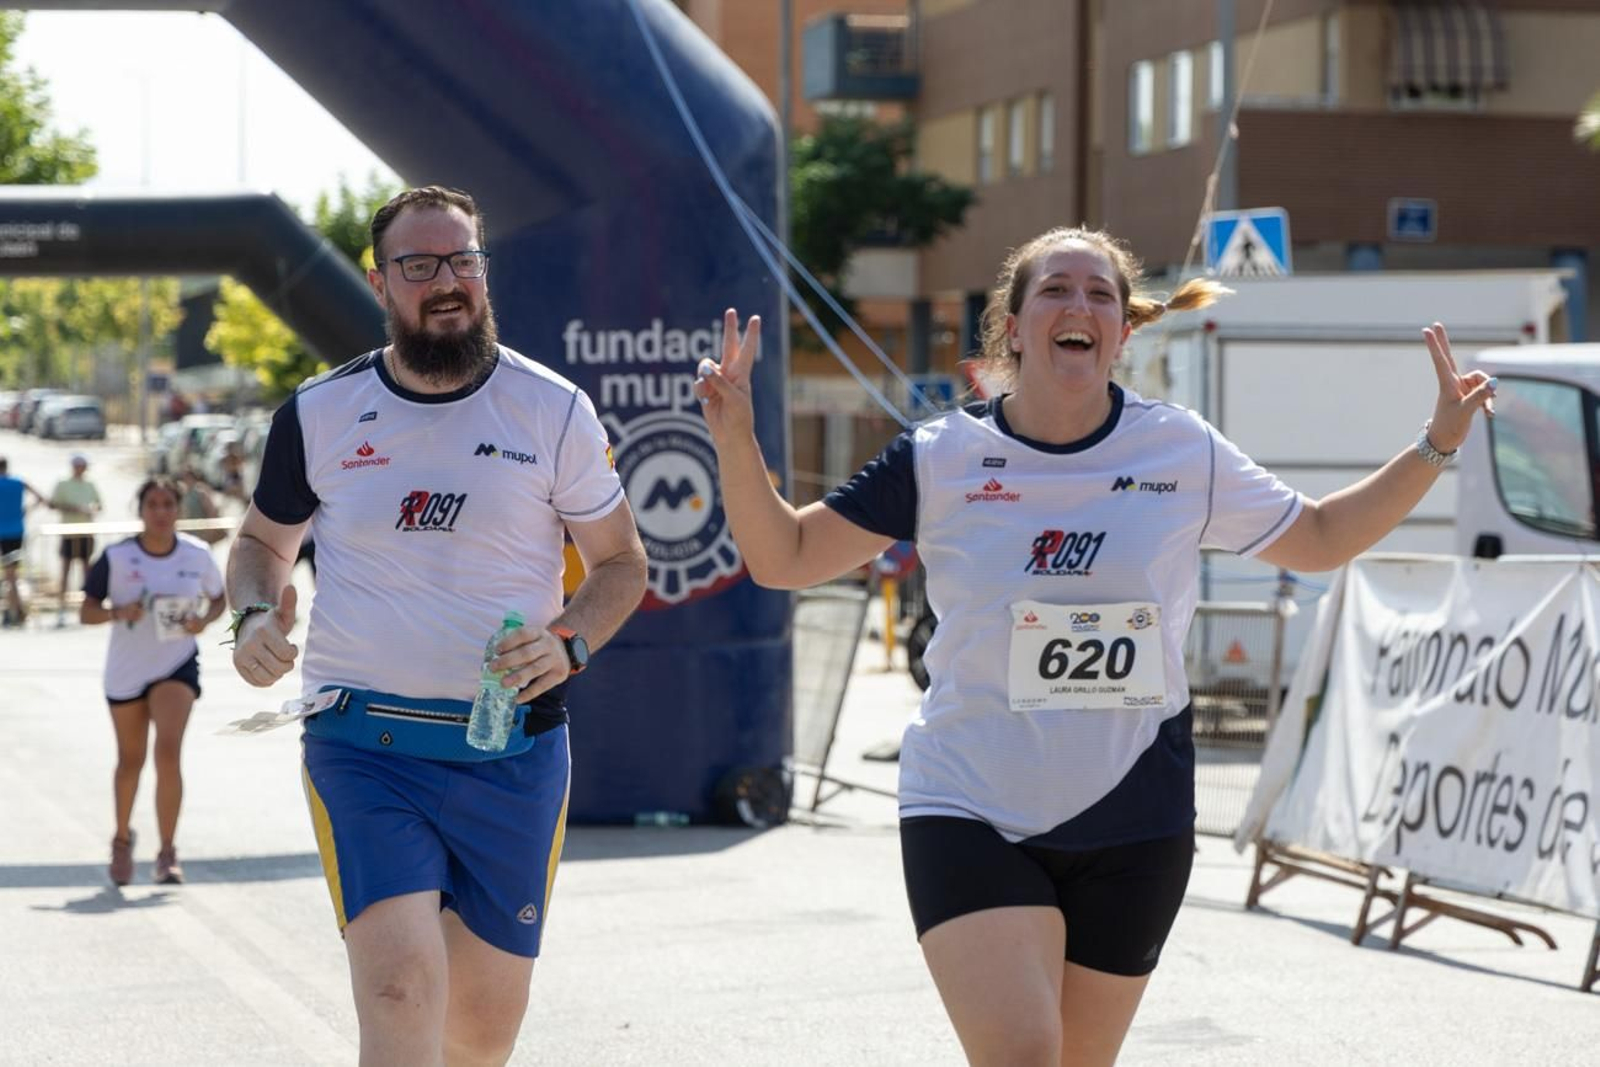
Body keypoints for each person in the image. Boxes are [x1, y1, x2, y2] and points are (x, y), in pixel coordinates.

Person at [693, 225, 1495, 1066]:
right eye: (1055, 290)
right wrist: (734, 436)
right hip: (970, 801)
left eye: (1099, 294)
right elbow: (782, 556)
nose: (1078, 305)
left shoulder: (1180, 449)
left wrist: (1436, 440)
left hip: (1134, 811)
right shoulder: (943, 456)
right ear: (1013, 324)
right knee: (1023, 1052)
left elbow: (1324, 536)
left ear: (1123, 329)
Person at [226, 185, 647, 1065]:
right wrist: (255, 611)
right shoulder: (319, 414)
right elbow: (262, 542)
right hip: (363, 744)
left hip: (514, 750)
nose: (447, 280)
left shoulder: (554, 408)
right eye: (421, 265)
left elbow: (622, 565)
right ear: (381, 282)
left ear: (484, 273)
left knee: (477, 1035)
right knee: (399, 989)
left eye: (464, 260)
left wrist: (568, 640)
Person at [80, 477, 226, 886]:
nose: (161, 512)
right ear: (140, 510)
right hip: (126, 669)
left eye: (168, 504)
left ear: (178, 510)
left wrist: (204, 620)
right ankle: (122, 839)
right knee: (131, 761)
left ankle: (167, 852)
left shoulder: (197, 555)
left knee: (167, 752)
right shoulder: (118, 557)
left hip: (176, 663)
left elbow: (219, 597)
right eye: (153, 505)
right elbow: (86, 611)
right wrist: (116, 612)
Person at [50, 453, 103, 627]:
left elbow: (99, 504)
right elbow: (54, 503)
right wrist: (74, 508)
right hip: (69, 533)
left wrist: (91, 509)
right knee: (65, 571)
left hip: (86, 532)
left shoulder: (90, 484)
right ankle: (61, 609)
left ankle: (87, 607)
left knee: (87, 571)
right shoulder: (63, 483)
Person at [0, 456, 47, 627]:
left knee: (9, 575)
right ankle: (15, 609)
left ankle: (12, 610)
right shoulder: (18, 482)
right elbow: (41, 499)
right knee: (12, 574)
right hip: (16, 531)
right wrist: (26, 511)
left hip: (3, 532)